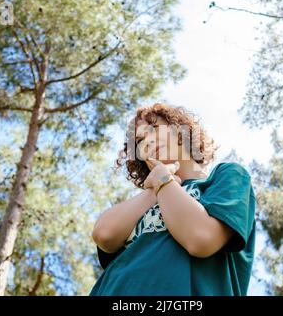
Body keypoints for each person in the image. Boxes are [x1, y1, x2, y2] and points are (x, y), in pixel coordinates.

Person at [89, 102, 256, 296]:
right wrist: (155, 188)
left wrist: (164, 181)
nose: (147, 142)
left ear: (181, 131)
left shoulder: (227, 176)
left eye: (154, 129)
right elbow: (104, 234)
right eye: (140, 141)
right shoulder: (147, 198)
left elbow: (201, 239)